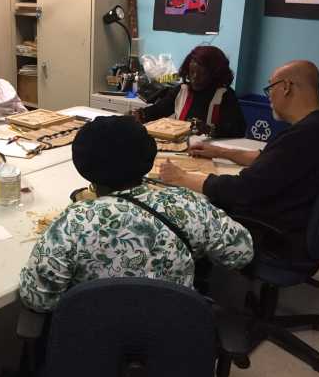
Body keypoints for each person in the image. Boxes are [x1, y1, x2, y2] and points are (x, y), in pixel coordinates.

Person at [19, 115, 253, 313]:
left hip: (94, 341)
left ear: (83, 166)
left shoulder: (73, 223)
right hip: (173, 335)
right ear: (148, 158)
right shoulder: (187, 205)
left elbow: (37, 299)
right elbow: (242, 252)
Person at [158, 60, 319, 259]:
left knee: (184, 210)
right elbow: (270, 159)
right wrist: (219, 152)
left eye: (270, 88)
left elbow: (242, 189)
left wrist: (181, 177)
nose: (269, 97)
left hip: (277, 236)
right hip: (300, 224)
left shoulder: (302, 137)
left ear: (286, 87)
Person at [134, 45, 246, 138]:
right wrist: (141, 114)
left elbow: (238, 129)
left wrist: (209, 129)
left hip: (214, 151)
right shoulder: (182, 90)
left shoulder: (224, 95)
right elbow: (159, 109)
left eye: (201, 74)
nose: (194, 78)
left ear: (215, 74)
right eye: (192, 72)